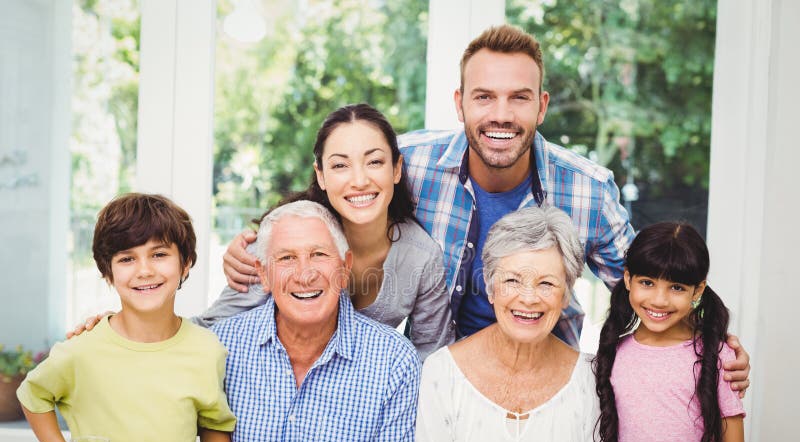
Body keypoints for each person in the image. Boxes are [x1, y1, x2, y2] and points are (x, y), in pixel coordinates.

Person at [221, 25, 752, 392]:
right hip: (439, 378)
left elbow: (650, 283)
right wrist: (252, 247)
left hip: (543, 374)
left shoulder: (587, 189)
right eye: (484, 97)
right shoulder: (410, 162)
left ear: (542, 105)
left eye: (519, 97)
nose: (501, 114)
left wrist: (711, 341)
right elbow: (329, 198)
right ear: (460, 103)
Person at [200, 104, 453, 358]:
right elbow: (209, 332)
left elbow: (432, 360)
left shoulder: (421, 257)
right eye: (340, 166)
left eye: (374, 162)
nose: (360, 180)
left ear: (396, 169)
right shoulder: (286, 239)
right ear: (320, 175)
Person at [17, 194, 236, 442]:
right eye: (127, 259)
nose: (144, 270)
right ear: (108, 272)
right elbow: (32, 395)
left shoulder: (207, 349)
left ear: (185, 264)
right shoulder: (82, 350)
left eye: (159, 254)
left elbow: (213, 423)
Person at [210, 200, 421, 442]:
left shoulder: (395, 361)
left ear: (345, 268)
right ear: (263, 273)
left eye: (319, 255)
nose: (305, 274)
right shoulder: (223, 345)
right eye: (286, 258)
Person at [413, 206, 600, 442]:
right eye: (512, 280)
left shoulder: (590, 378)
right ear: (490, 287)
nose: (528, 298)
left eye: (546, 284)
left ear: (566, 295)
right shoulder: (442, 371)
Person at [593, 222, 746, 442]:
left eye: (676, 287)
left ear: (697, 290)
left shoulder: (718, 357)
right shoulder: (614, 353)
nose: (659, 300)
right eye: (647, 283)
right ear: (628, 280)